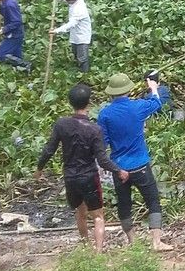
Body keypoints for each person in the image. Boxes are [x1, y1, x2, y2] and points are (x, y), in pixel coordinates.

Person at [35, 83, 128, 252]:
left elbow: (49, 149)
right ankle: (98, 253)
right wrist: (118, 170)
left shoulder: (61, 125)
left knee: (80, 212)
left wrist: (39, 168)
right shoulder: (94, 129)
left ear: (71, 103)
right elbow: (102, 159)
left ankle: (85, 247)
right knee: (98, 216)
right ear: (88, 103)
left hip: (70, 177)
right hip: (89, 176)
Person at [97, 72, 174, 252]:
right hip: (140, 164)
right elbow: (156, 103)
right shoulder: (137, 107)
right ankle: (156, 242)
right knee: (153, 200)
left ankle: (132, 241)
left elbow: (103, 142)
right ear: (128, 91)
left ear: (111, 93)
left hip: (119, 168)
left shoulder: (105, 114)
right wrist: (153, 88)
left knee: (124, 204)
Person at [0, 0, 32, 72]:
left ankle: (26, 64)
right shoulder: (7, 1)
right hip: (17, 33)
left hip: (14, 34)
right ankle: (23, 71)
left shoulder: (9, 4)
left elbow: (17, 21)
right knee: (16, 55)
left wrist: (4, 29)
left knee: (1, 54)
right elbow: (7, 13)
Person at [52, 0, 92, 73]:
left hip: (82, 35)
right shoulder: (74, 1)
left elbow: (71, 24)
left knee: (82, 58)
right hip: (75, 34)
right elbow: (64, 0)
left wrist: (56, 31)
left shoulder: (79, 8)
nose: (66, 0)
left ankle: (84, 75)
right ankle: (78, 72)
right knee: (75, 53)